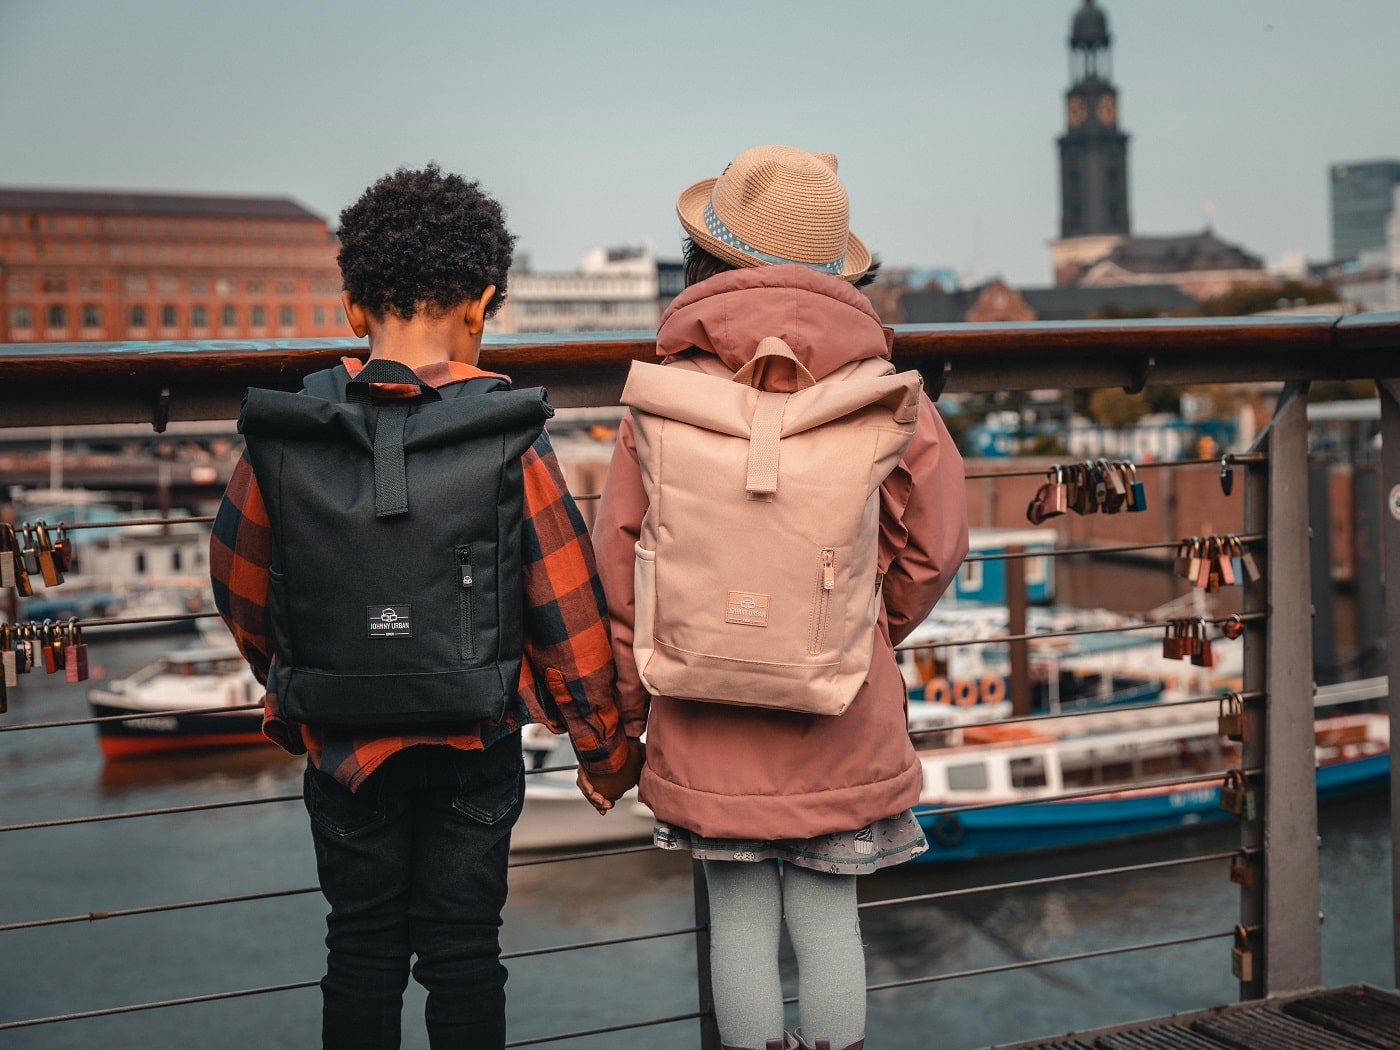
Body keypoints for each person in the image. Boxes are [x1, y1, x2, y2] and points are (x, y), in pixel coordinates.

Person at [210, 164, 643, 1050]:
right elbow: (564, 608)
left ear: (352, 307)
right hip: (471, 740)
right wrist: (604, 747)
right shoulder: (504, 432)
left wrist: (295, 684)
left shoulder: (289, 434)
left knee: (360, 947)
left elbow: (241, 583)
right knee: (464, 953)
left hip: (343, 744)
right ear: (484, 306)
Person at [587, 145, 969, 1050]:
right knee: (831, 927)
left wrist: (635, 712)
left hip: (704, 715)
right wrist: (865, 631)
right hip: (837, 711)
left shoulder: (664, 396)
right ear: (840, 273)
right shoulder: (887, 397)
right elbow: (938, 543)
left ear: (703, 264)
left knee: (744, 930)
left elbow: (620, 568)